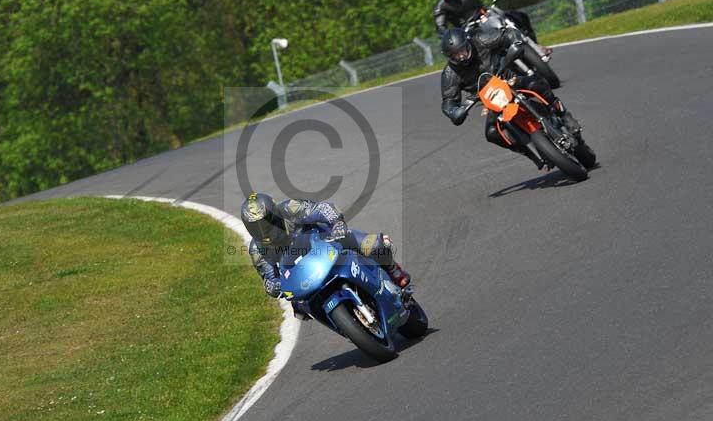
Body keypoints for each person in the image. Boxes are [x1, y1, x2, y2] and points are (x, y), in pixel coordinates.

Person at [439, 27, 579, 169]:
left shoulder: (481, 40)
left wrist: (515, 42)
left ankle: (563, 114)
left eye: (462, 50)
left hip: (509, 79)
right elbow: (448, 101)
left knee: (535, 84)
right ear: (449, 56)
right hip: (491, 100)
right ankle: (531, 153)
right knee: (492, 133)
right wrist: (454, 111)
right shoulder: (450, 74)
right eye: (455, 54)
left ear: (468, 43)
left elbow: (508, 33)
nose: (461, 56)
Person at [240, 193, 411, 298]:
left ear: (275, 213)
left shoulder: (290, 209)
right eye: (256, 227)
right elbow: (269, 278)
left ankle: (392, 270)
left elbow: (323, 208)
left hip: (329, 242)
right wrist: (273, 286)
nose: (263, 230)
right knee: (299, 308)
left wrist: (337, 223)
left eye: (266, 222)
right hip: (302, 275)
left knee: (375, 244)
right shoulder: (257, 250)